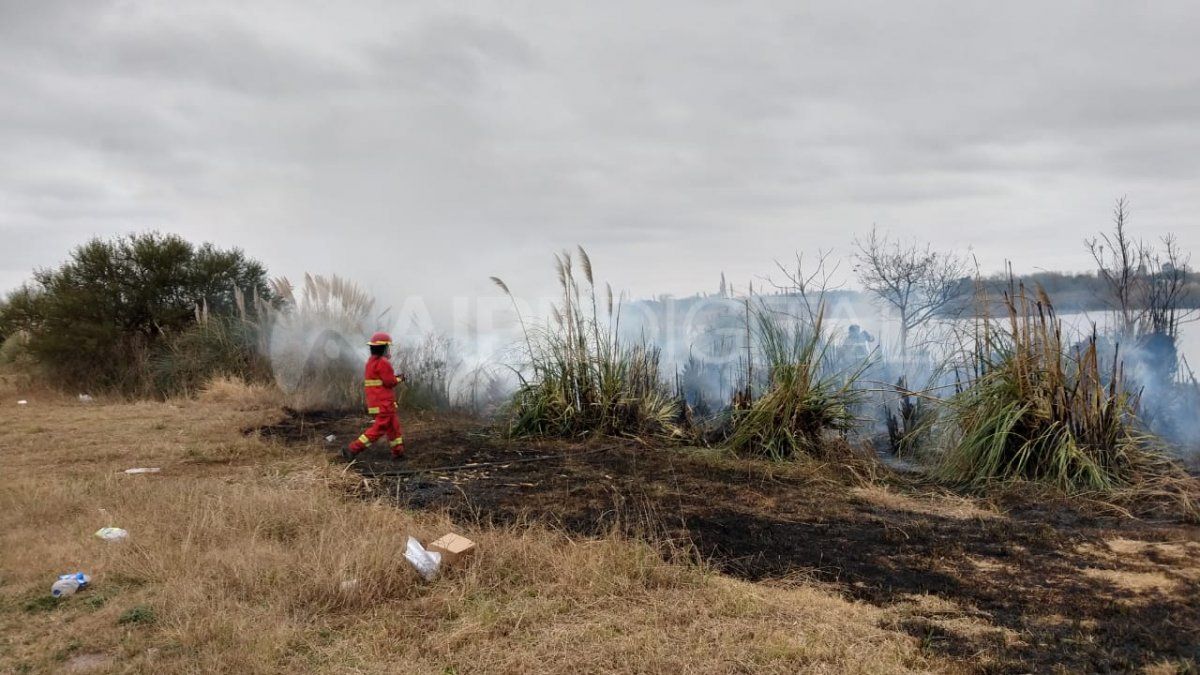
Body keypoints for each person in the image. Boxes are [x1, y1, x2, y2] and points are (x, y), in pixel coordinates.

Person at [343, 332, 406, 461]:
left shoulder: (371, 362)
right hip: (384, 404)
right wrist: (400, 379)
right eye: (388, 347)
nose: (389, 350)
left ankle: (398, 452)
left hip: (378, 403)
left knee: (393, 427)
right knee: (379, 429)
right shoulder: (383, 363)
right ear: (384, 348)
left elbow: (382, 380)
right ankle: (353, 449)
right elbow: (390, 382)